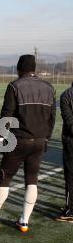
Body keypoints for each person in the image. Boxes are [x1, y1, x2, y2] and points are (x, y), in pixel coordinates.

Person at [0, 54, 56, 232]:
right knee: (32, 181)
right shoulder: (49, 87)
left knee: (4, 178)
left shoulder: (15, 86)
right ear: (33, 69)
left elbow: (7, 114)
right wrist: (47, 139)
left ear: (19, 69)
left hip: (19, 141)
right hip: (40, 141)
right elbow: (52, 118)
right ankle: (24, 221)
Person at [56, 83, 73, 222]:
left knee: (70, 175)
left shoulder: (66, 95)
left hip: (71, 142)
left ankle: (71, 211)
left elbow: (69, 122)